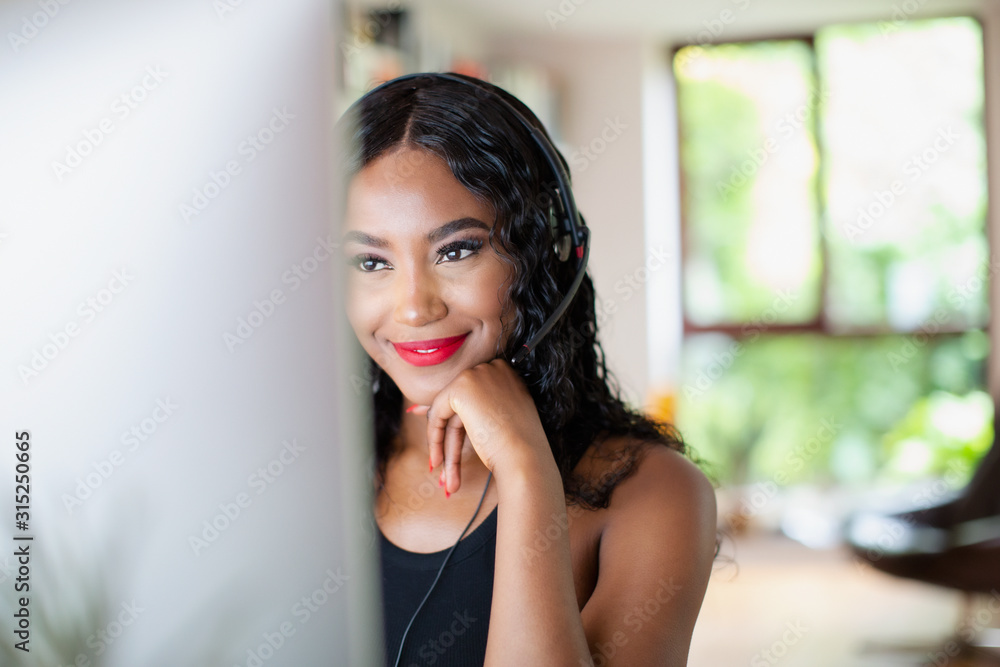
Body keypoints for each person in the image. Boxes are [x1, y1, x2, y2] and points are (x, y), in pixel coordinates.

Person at [339, 72, 717, 666]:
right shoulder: (307, 473)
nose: (414, 306)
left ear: (550, 249)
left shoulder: (654, 494)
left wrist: (525, 468)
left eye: (457, 250)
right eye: (370, 261)